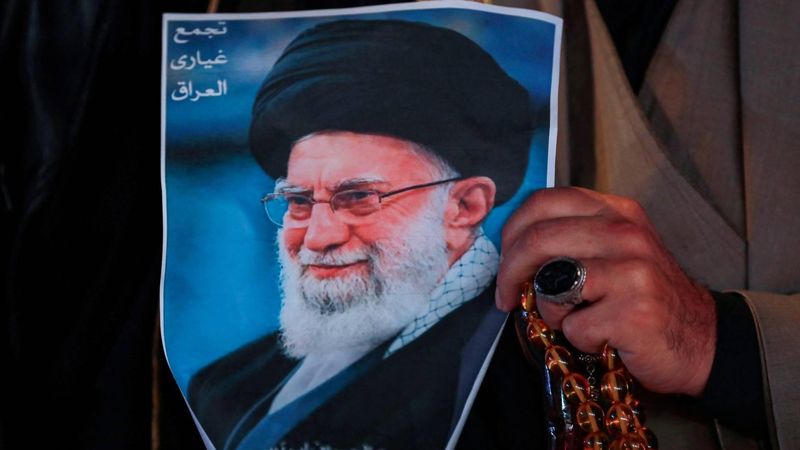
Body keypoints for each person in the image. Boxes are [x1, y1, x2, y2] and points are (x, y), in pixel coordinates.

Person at [186, 19, 540, 450]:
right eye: (298, 201)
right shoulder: (224, 386)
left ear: (464, 207)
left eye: (358, 197)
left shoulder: (537, 365)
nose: (316, 238)